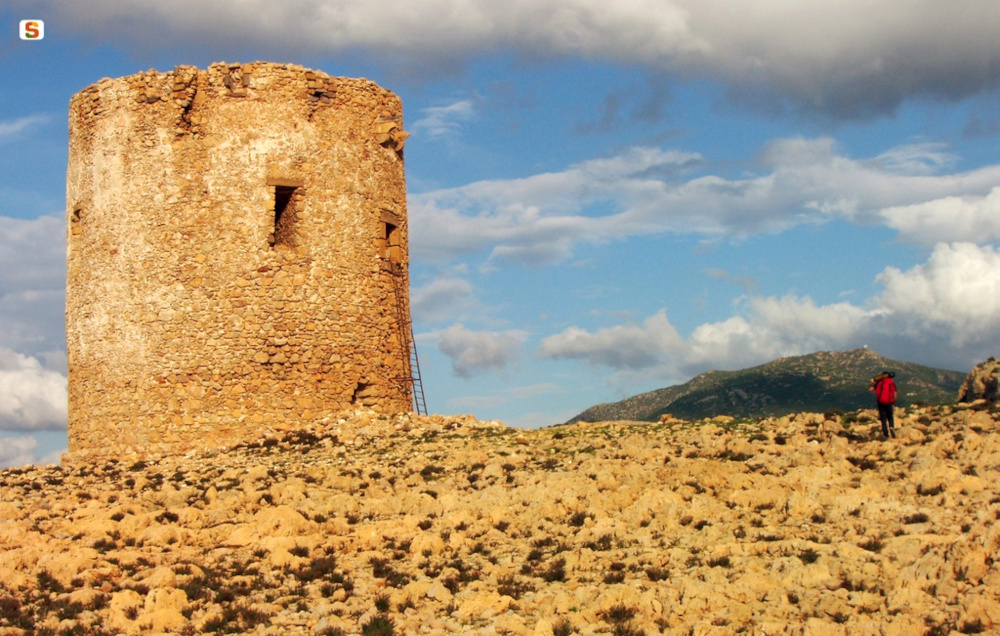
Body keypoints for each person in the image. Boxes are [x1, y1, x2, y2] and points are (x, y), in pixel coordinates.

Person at [869, 371, 897, 438]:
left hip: (881, 403)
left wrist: (872, 383)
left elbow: (870, 389)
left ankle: (885, 433)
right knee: (890, 417)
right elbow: (895, 394)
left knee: (883, 418)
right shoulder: (891, 382)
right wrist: (893, 402)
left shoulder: (879, 383)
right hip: (889, 402)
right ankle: (891, 427)